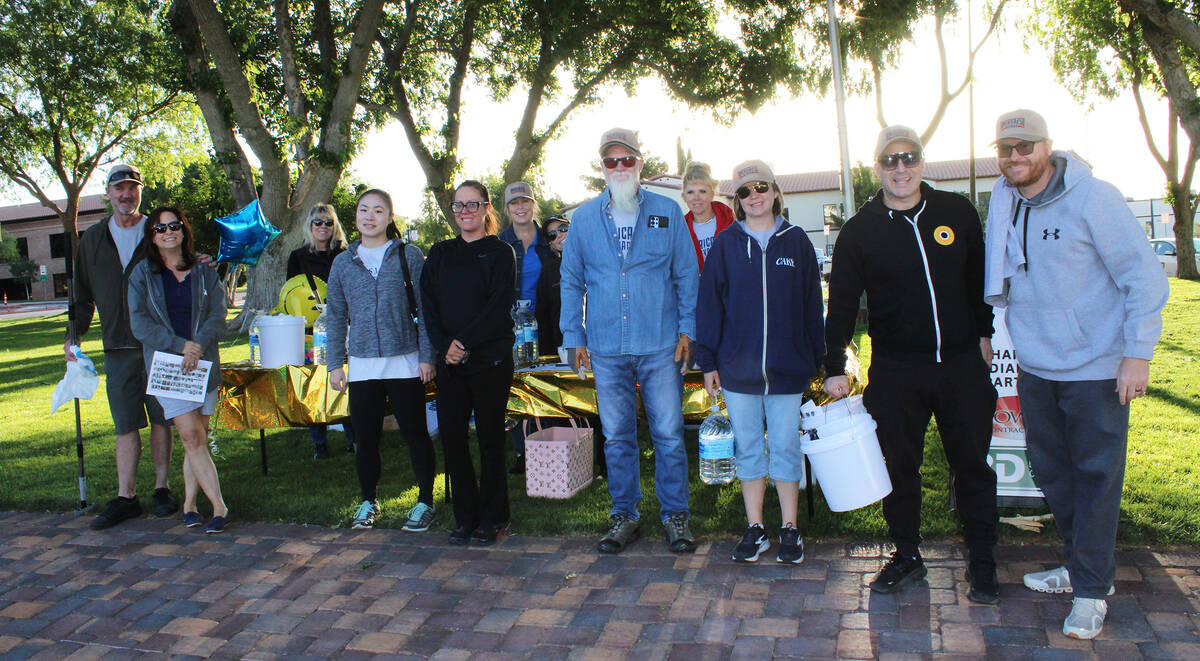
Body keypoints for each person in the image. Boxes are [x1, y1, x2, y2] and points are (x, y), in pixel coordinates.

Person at [983, 109, 1168, 639]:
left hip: (1096, 369)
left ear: (1048, 146)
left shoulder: (1095, 198)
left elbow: (1144, 279)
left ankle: (1091, 591)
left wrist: (1137, 354)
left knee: (1095, 478)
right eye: (1006, 149)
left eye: (1026, 147)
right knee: (1055, 475)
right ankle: (1083, 567)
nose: (1015, 158)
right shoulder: (1004, 197)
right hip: (1036, 364)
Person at [823, 125, 1000, 603]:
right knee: (900, 467)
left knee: (972, 466)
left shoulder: (956, 212)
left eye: (909, 157)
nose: (900, 168)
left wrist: (984, 333)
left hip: (962, 365)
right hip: (899, 371)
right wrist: (834, 363)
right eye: (889, 160)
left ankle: (982, 560)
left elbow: (977, 278)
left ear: (922, 162)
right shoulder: (860, 232)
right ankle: (906, 555)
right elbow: (841, 304)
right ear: (876, 167)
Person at [560, 127, 700, 554]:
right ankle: (625, 515)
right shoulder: (583, 219)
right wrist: (573, 335)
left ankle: (676, 516)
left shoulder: (667, 212)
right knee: (617, 436)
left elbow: (686, 273)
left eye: (627, 159)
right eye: (610, 161)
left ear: (640, 164)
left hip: (660, 342)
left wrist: (688, 329)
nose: (619, 167)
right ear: (601, 168)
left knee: (669, 434)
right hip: (604, 346)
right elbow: (570, 281)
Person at [696, 160, 824, 564]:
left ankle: (789, 528)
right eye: (746, 191)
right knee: (750, 449)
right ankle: (755, 528)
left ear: (774, 191)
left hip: (787, 372)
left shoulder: (797, 241)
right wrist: (709, 361)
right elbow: (709, 307)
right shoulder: (726, 244)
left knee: (785, 446)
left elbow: (811, 306)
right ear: (737, 199)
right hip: (738, 372)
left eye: (761, 187)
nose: (755, 196)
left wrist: (817, 359)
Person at [67, 164, 179, 530]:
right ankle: (126, 496)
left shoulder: (157, 232)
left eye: (132, 188)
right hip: (117, 346)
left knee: (162, 418)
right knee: (125, 423)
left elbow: (183, 269)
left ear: (139, 193)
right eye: (119, 189)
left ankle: (161, 489)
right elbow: (80, 296)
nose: (126, 194)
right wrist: (74, 335)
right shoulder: (93, 240)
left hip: (159, 344)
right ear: (108, 194)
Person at [325, 189, 438, 532]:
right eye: (363, 210)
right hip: (362, 365)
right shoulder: (343, 262)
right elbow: (335, 316)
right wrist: (334, 363)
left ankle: (425, 501)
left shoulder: (408, 255)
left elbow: (426, 309)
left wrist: (427, 356)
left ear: (390, 217)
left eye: (378, 210)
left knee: (416, 433)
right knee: (366, 438)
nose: (369, 216)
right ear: (355, 216)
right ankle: (368, 499)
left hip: (405, 360)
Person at [420, 181, 517, 545]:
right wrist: (446, 346)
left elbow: (498, 306)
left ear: (486, 208)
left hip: (489, 361)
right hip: (450, 364)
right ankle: (466, 517)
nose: (465, 212)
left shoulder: (500, 252)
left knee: (491, 440)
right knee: (454, 440)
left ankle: (493, 518)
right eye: (459, 206)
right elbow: (427, 306)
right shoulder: (441, 253)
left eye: (472, 205)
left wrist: (465, 343)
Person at [127, 207, 230, 533]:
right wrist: (179, 345)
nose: (168, 232)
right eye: (160, 228)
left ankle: (188, 505)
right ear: (152, 236)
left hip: (203, 363)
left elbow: (218, 312)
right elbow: (139, 323)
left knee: (196, 437)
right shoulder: (142, 274)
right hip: (170, 367)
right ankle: (220, 507)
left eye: (174, 226)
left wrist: (197, 344)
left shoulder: (204, 271)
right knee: (189, 435)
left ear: (184, 230)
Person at [497, 182, 562, 474]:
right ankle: (523, 451)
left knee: (547, 387)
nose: (520, 208)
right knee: (515, 389)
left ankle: (552, 443)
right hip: (512, 329)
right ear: (507, 208)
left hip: (547, 326)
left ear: (533, 204)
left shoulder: (548, 242)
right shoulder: (499, 244)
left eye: (525, 202)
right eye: (514, 203)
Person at [286, 203, 354, 459]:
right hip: (309, 331)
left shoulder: (345, 254)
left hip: (343, 326)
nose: (323, 227)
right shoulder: (298, 257)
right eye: (318, 222)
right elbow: (291, 295)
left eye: (328, 222)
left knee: (345, 381)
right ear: (310, 226)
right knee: (314, 384)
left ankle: (353, 438)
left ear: (334, 226)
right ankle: (319, 443)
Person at [681, 162, 735, 271]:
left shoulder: (731, 221)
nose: (696, 197)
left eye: (702, 191)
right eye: (690, 192)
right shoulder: (680, 229)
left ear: (712, 194)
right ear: (684, 197)